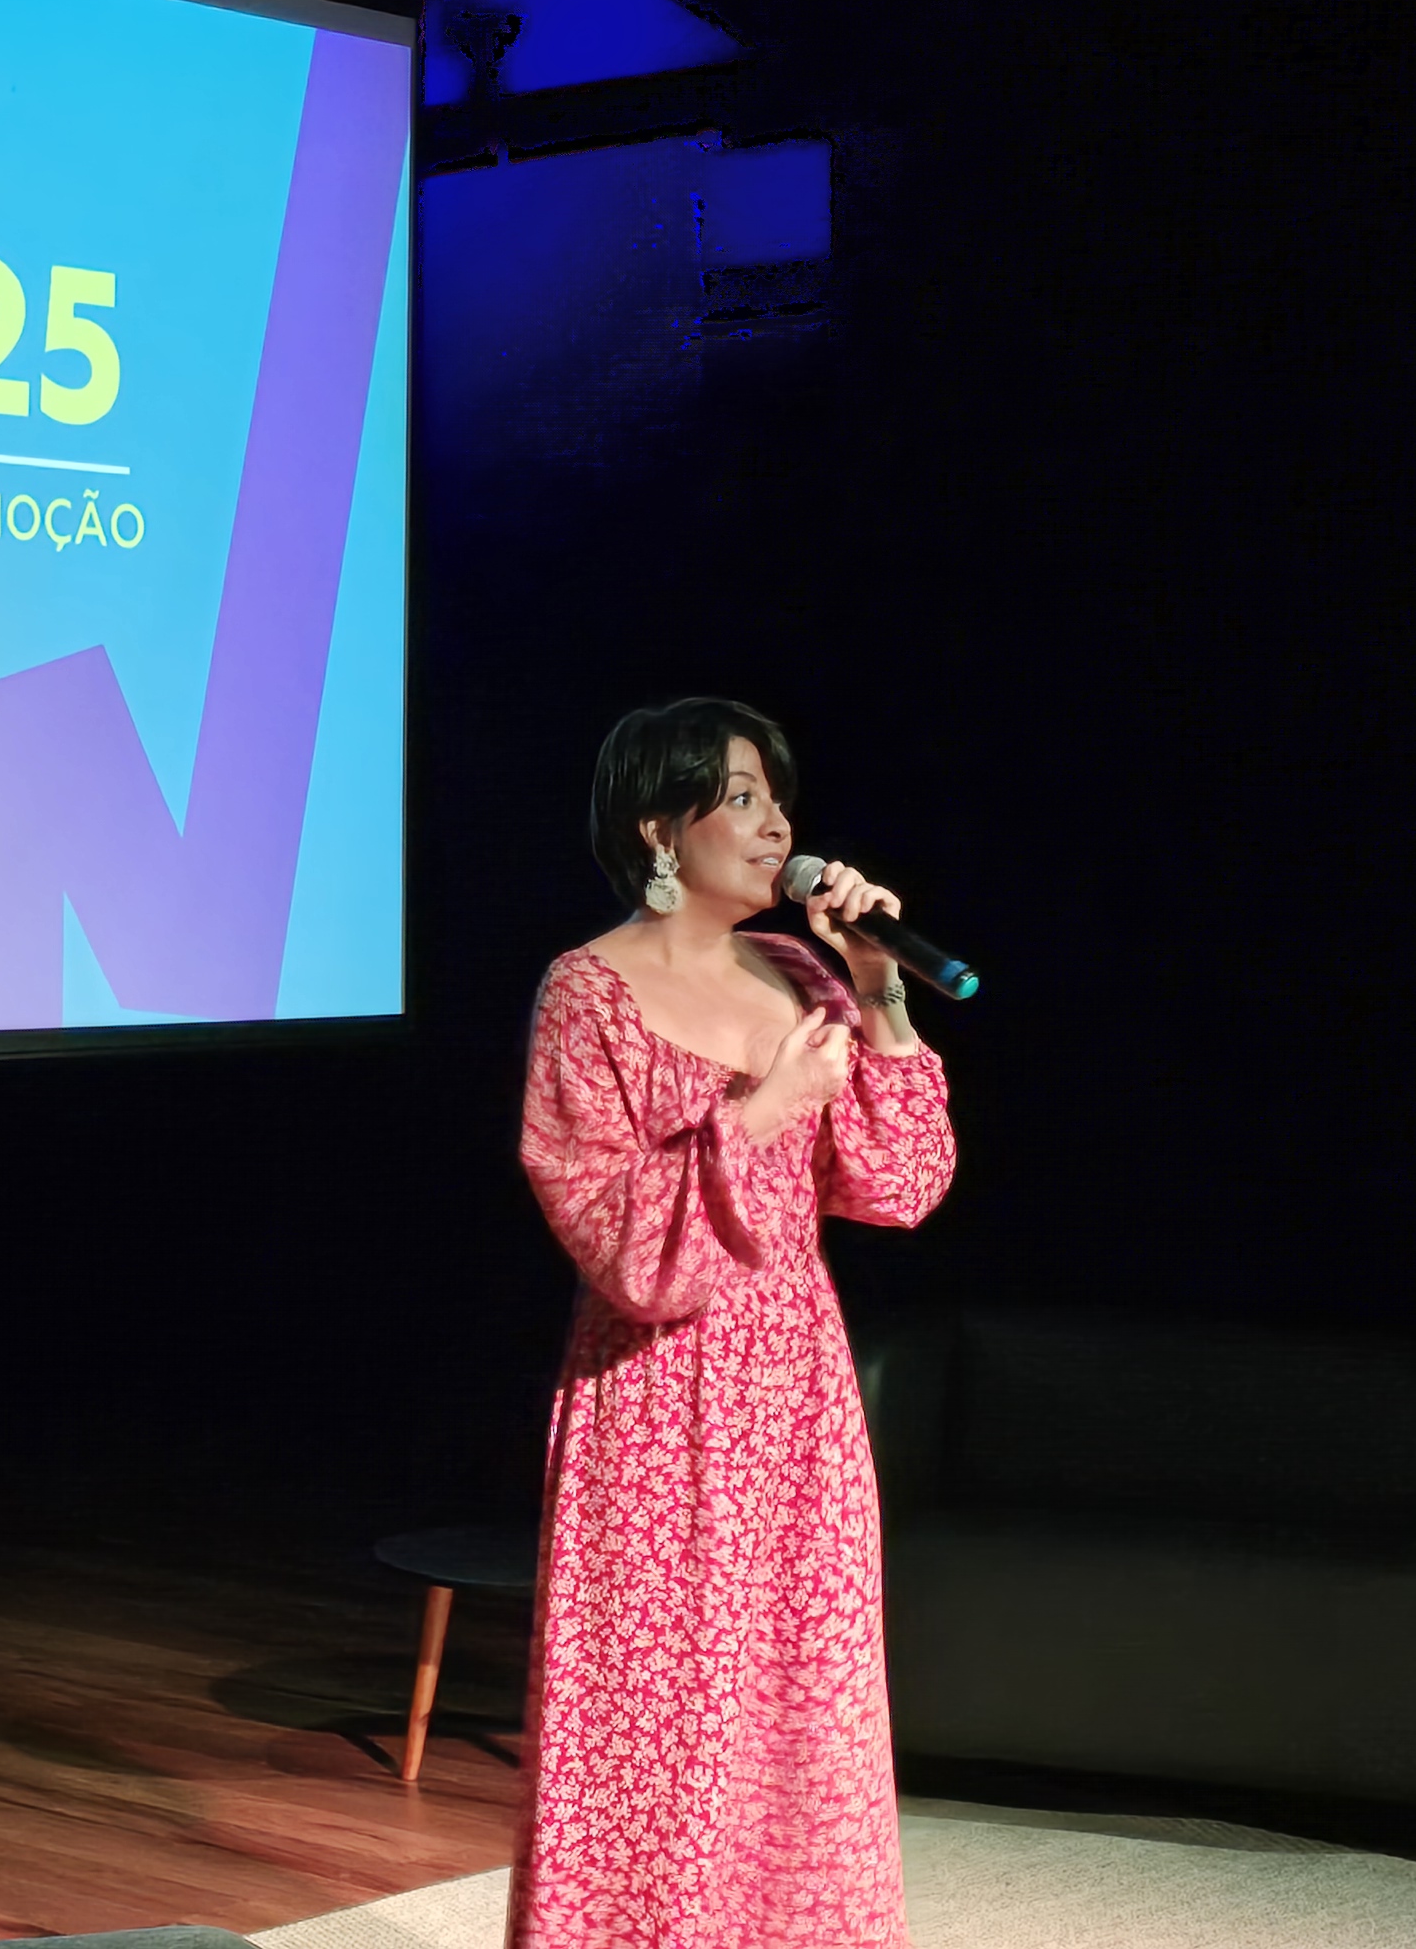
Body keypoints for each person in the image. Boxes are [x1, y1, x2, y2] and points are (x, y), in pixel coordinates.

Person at [509, 697, 959, 1949]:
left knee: (801, 1718)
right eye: (744, 796)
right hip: (655, 1402)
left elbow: (900, 1183)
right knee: (656, 1728)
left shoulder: (805, 973)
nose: (778, 826)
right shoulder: (586, 994)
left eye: (777, 799)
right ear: (661, 828)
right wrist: (757, 1113)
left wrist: (879, 994)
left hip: (795, 1393)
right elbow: (618, 1245)